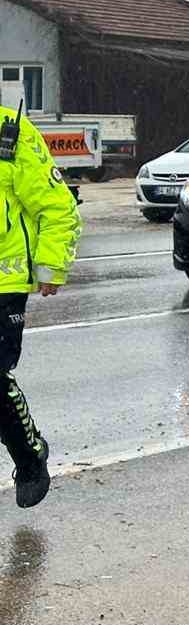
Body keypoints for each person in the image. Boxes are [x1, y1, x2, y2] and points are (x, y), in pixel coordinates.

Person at [0, 103, 80, 508]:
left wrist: (50, 265)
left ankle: (30, 457)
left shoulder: (9, 133)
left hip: (3, 280)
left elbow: (57, 206)